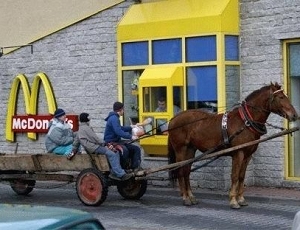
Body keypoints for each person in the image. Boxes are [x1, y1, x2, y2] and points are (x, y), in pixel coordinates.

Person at [73, 112, 133, 181]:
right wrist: (105, 143)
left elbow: (76, 142)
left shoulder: (80, 129)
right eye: (89, 118)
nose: (90, 120)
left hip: (92, 147)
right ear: (86, 119)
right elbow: (95, 139)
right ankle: (119, 173)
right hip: (94, 147)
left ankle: (115, 170)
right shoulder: (86, 128)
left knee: (111, 152)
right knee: (113, 153)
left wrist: (73, 150)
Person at [104, 102, 141, 170]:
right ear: (120, 110)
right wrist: (131, 136)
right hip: (111, 142)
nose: (124, 111)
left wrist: (131, 127)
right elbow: (118, 132)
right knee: (125, 151)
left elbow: (120, 128)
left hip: (117, 141)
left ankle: (134, 168)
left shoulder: (114, 117)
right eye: (123, 109)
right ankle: (122, 169)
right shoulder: (114, 118)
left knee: (136, 149)